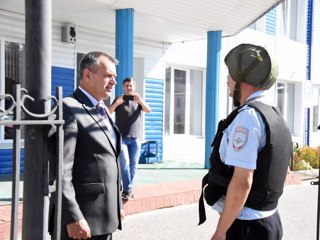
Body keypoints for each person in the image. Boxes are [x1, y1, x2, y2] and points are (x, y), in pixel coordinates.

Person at [198, 43, 293, 240]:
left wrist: (220, 231)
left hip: (246, 226)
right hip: (269, 219)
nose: (228, 81)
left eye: (231, 75)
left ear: (243, 80)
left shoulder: (248, 117)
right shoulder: (274, 114)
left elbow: (242, 182)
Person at [49, 51, 125, 240]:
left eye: (115, 76)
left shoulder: (102, 109)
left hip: (105, 217)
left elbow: (109, 158)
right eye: (108, 75)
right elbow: (60, 170)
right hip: (81, 220)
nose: (114, 81)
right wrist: (73, 216)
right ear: (87, 75)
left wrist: (117, 205)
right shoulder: (69, 107)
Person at [108, 77, 151, 200]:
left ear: (134, 87)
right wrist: (116, 103)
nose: (129, 88)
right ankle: (127, 189)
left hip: (135, 139)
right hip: (122, 139)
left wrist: (140, 101)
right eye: (126, 86)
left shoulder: (138, 101)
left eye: (131, 86)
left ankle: (127, 189)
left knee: (134, 166)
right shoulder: (119, 99)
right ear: (123, 87)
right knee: (125, 163)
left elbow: (148, 110)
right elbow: (108, 112)